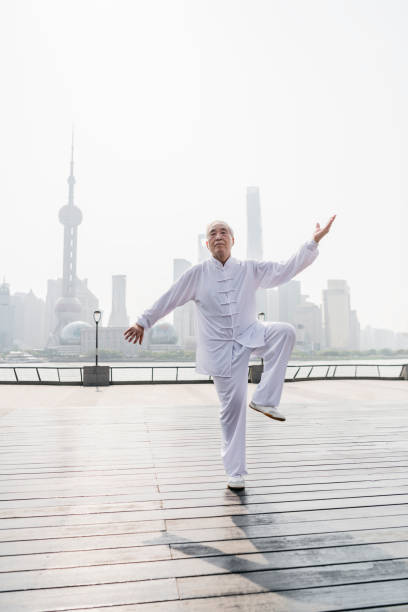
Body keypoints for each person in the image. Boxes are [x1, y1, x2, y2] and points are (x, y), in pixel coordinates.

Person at [124, 215, 336, 490]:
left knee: (285, 332)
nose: (219, 236)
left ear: (233, 240)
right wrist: (143, 321)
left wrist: (312, 242)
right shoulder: (196, 274)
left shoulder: (249, 268)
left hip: (250, 334)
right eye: (213, 233)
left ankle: (264, 399)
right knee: (232, 410)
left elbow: (285, 269)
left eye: (224, 231)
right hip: (221, 350)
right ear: (207, 243)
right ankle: (235, 472)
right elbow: (170, 296)